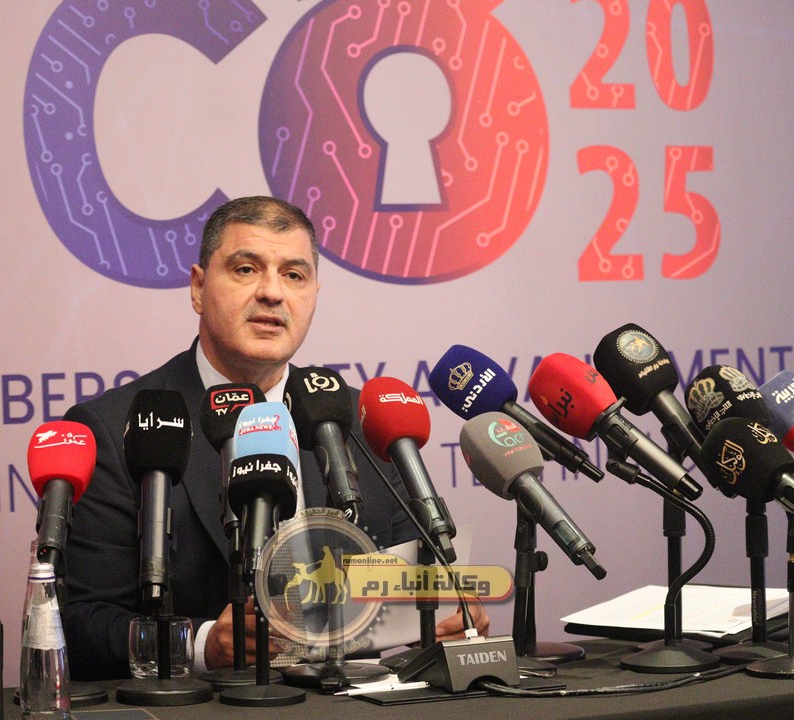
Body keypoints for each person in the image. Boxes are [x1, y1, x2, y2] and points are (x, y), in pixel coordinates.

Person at [61, 196, 487, 680]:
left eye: (294, 275)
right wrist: (200, 644)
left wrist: (444, 616)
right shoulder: (114, 427)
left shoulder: (361, 421)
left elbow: (416, 585)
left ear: (314, 294)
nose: (272, 293)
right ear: (198, 288)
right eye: (246, 269)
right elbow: (81, 626)